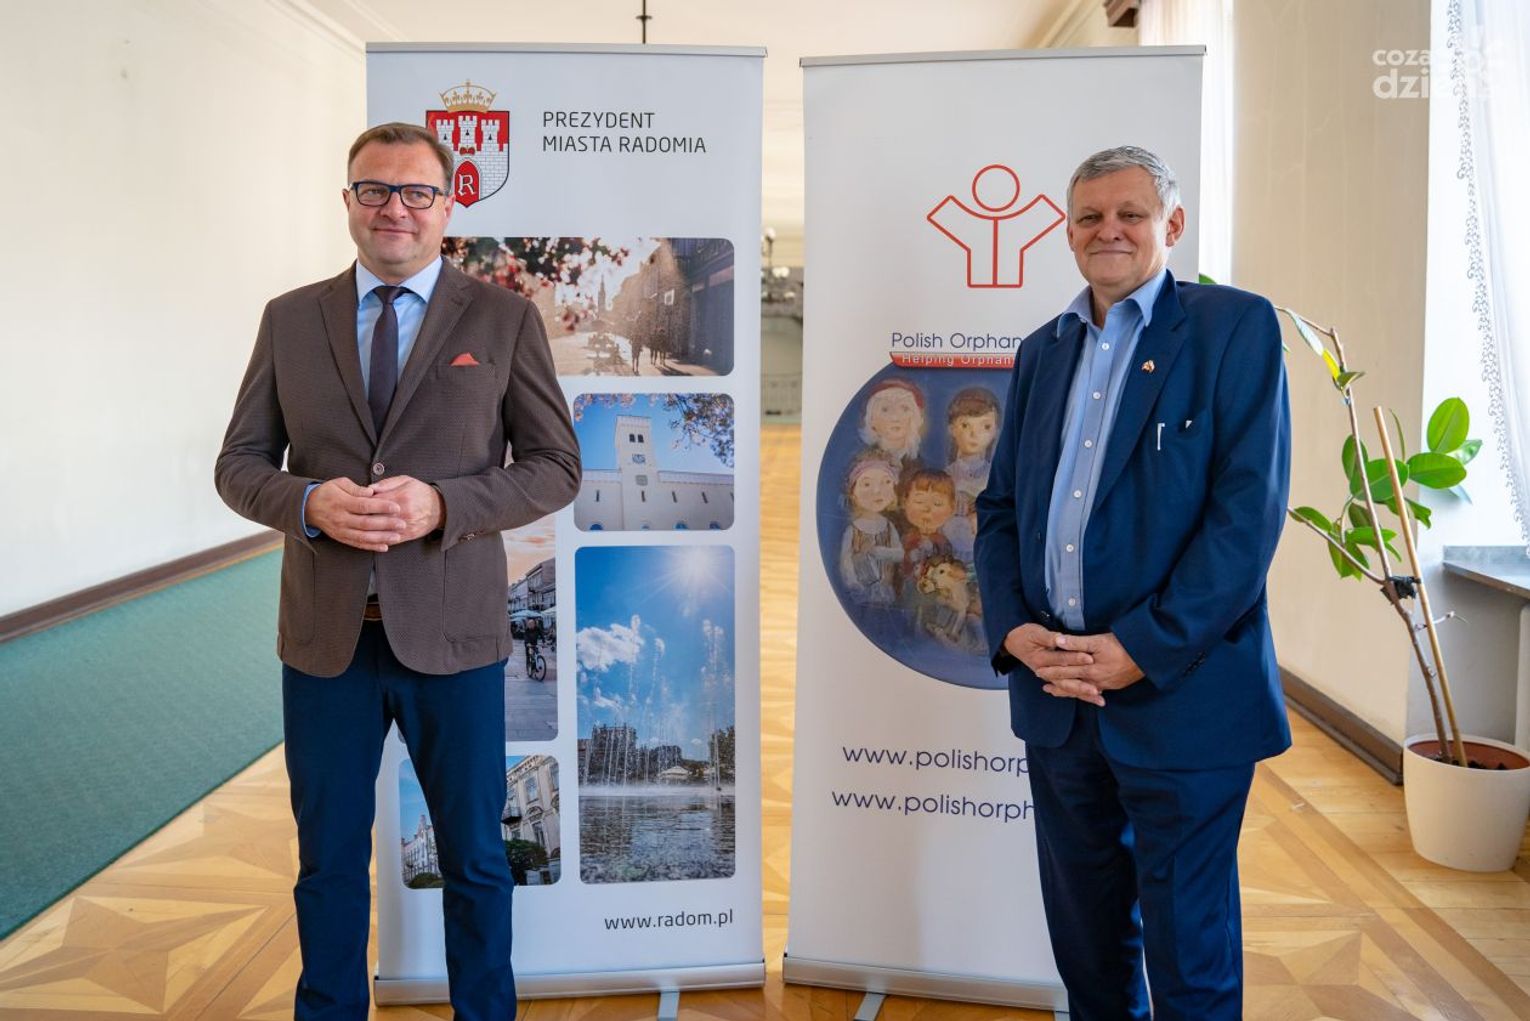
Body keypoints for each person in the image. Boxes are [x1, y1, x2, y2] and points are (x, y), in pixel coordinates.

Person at [215, 121, 580, 1021]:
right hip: (325, 642)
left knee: (476, 859)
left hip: (454, 639)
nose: (396, 208)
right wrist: (308, 502)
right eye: (375, 189)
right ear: (348, 202)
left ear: (447, 207)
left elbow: (556, 467)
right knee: (328, 862)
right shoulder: (289, 318)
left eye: (417, 191)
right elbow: (239, 464)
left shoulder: (502, 319)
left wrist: (445, 505)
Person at [974, 145, 1291, 1021]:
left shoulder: (1233, 329)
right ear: (1067, 231)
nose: (1107, 230)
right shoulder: (1042, 351)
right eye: (1089, 216)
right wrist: (1013, 630)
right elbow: (999, 510)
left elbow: (1245, 519)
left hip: (1182, 696)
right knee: (1088, 944)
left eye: (1130, 213)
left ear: (1171, 224)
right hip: (1057, 696)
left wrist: (1140, 647)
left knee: (1191, 951)